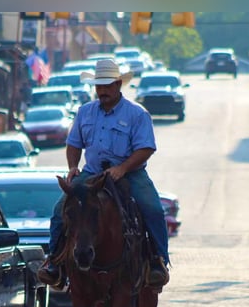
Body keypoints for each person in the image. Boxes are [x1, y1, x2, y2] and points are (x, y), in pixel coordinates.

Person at [37, 58, 170, 289]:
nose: (103, 91)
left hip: (130, 174)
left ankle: (158, 260)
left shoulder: (137, 114)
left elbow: (146, 148)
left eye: (107, 86)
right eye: (99, 86)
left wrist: (122, 168)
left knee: (153, 209)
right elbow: (73, 143)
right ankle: (54, 262)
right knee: (60, 209)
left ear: (119, 84)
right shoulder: (85, 112)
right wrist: (72, 166)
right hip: (92, 173)